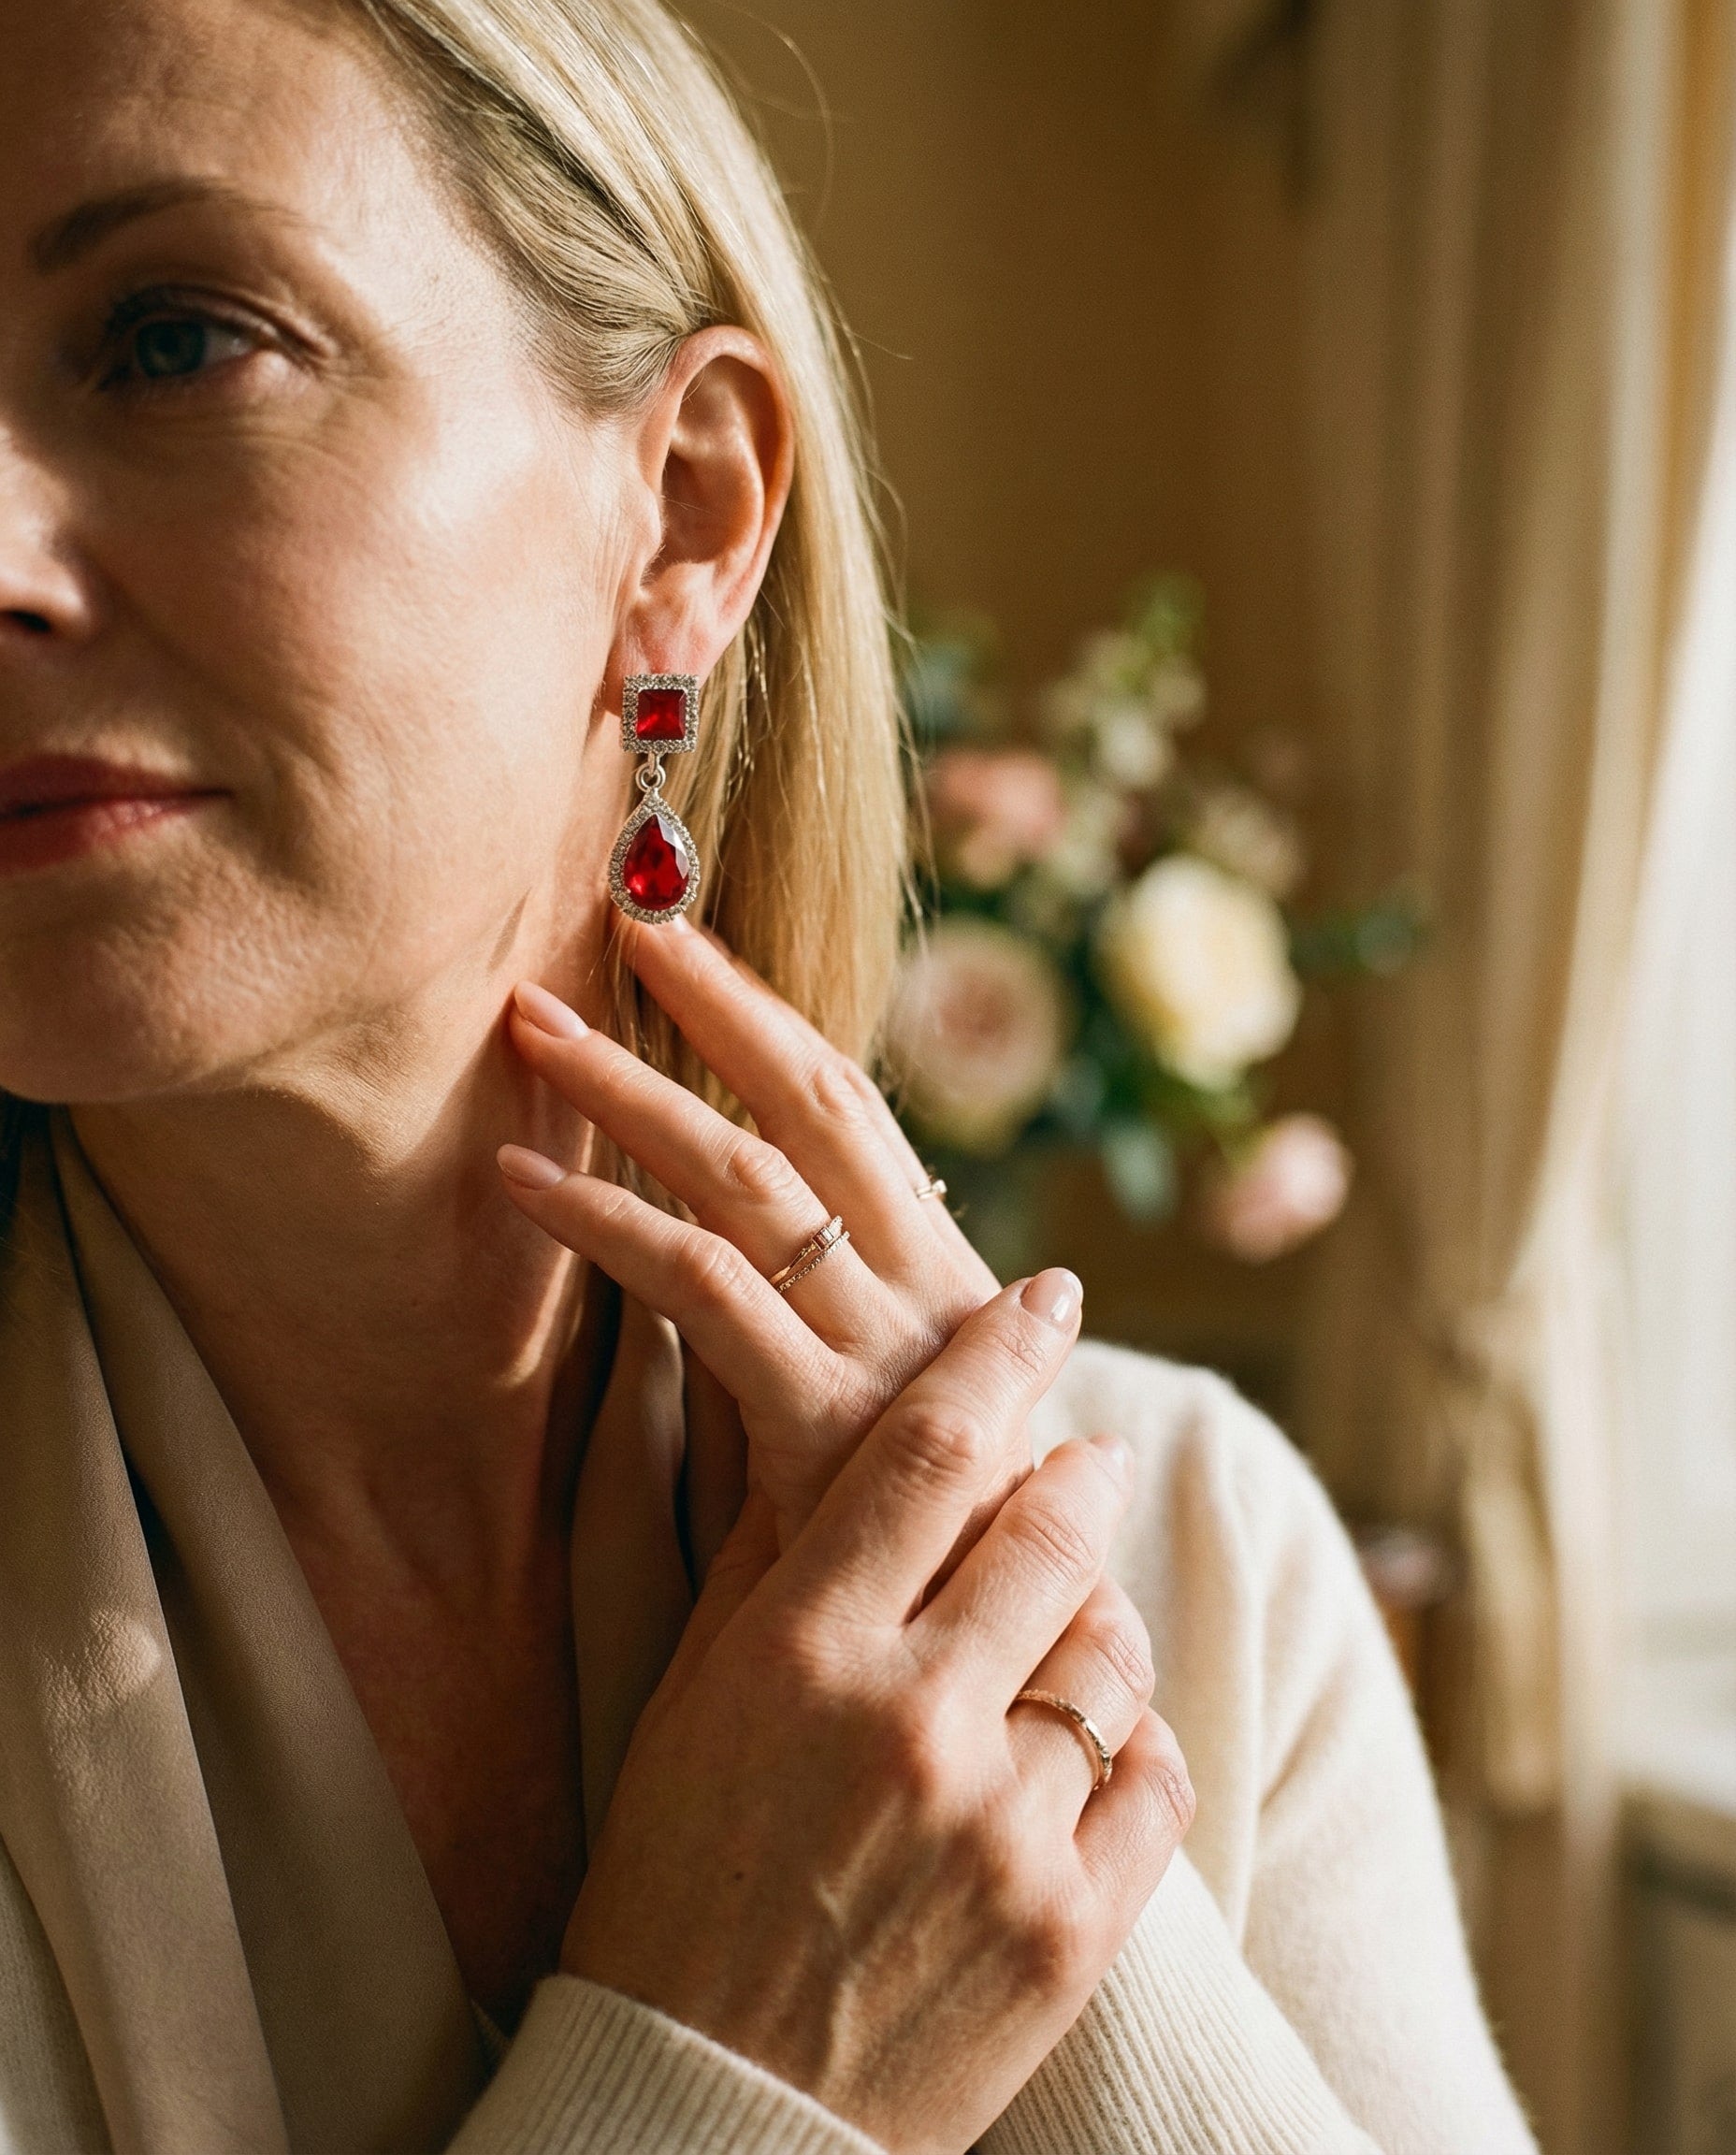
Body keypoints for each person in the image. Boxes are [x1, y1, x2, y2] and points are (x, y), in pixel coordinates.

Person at [0, 0, 1539, 2148]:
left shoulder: (1197, 1563)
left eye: (172, 341)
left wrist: (1050, 1875)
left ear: (689, 514)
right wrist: (729, 2070)